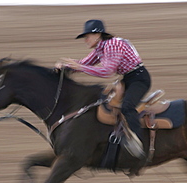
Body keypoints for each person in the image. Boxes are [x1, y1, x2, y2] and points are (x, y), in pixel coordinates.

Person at [55, 19, 151, 158]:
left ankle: (141, 145)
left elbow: (107, 72)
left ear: (97, 35)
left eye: (87, 36)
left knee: (127, 107)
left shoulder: (112, 44)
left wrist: (79, 67)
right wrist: (64, 68)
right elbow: (84, 63)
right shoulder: (100, 48)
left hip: (139, 79)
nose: (85, 40)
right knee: (108, 104)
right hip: (128, 78)